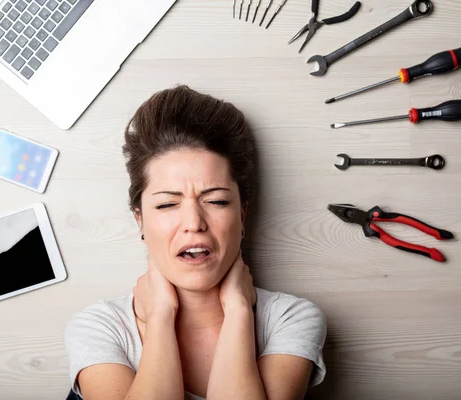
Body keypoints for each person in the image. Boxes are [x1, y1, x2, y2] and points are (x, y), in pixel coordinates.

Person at [65, 85, 327, 400]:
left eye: (216, 201)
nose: (193, 223)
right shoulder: (101, 327)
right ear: (140, 220)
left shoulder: (290, 318)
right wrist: (161, 315)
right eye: (166, 205)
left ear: (242, 215)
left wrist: (239, 310)